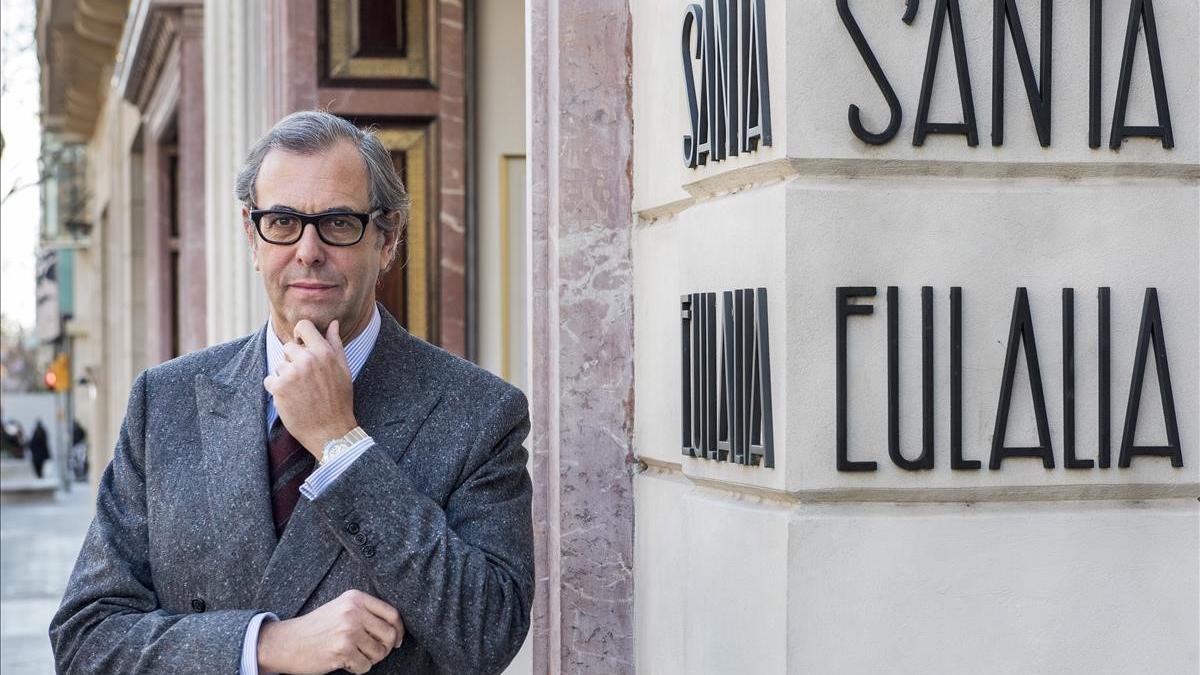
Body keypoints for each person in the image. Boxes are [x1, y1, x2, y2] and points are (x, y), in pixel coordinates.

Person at [50, 111, 534, 674]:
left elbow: (489, 633)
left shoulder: (479, 412)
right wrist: (263, 645)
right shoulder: (166, 401)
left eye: (338, 222)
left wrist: (341, 445)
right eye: (282, 221)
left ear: (387, 238)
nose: (307, 250)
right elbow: (85, 640)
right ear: (251, 236)